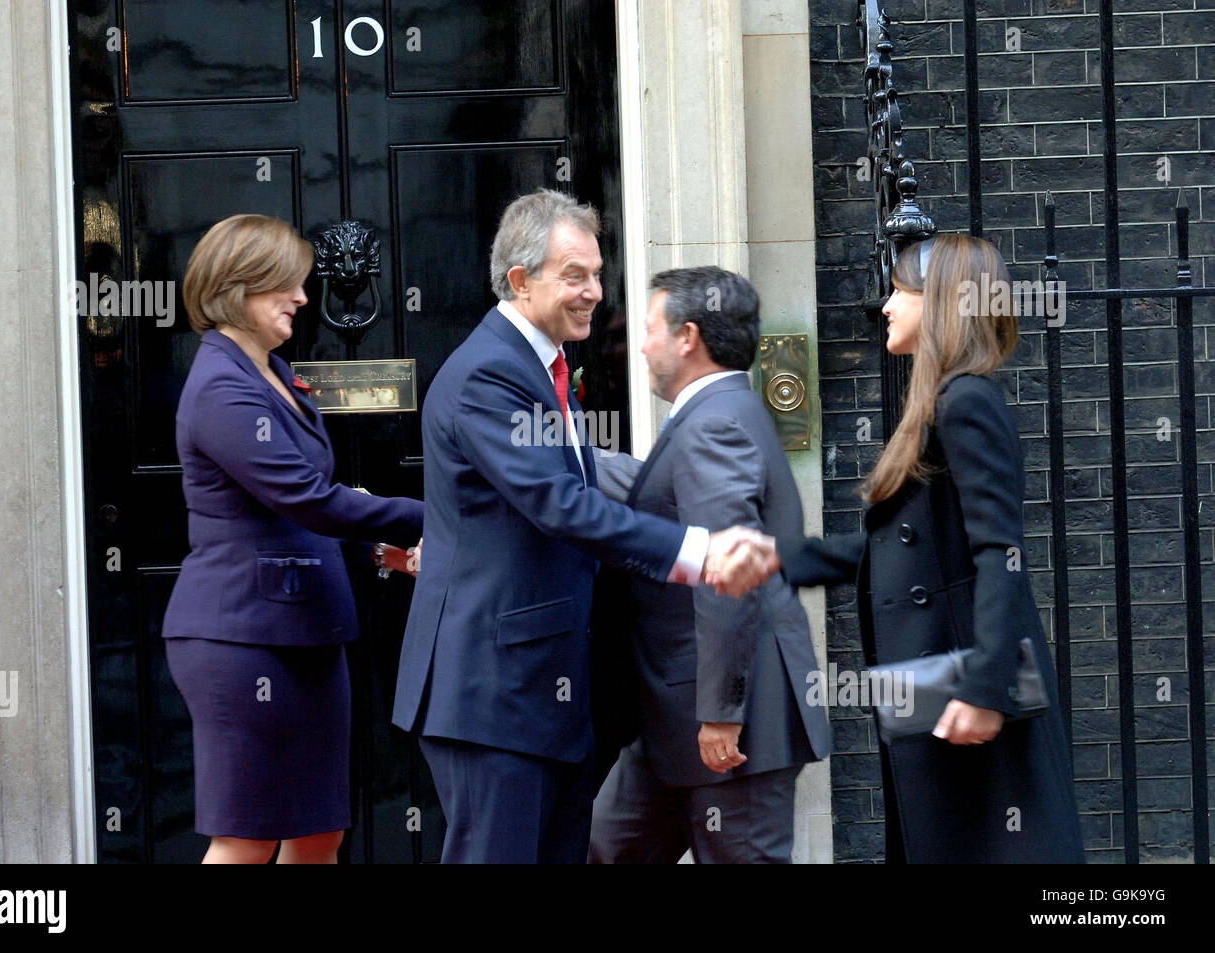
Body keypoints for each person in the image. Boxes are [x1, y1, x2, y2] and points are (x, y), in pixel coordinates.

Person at [391, 189, 778, 864]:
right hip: (494, 697)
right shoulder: (490, 375)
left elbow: (567, 488)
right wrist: (699, 550)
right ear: (520, 280)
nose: (596, 291)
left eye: (597, 273)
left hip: (541, 695)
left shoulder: (540, 369)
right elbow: (560, 504)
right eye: (575, 275)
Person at [777, 233, 1084, 862]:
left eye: (900, 291)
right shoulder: (940, 403)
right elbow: (904, 552)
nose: (885, 305)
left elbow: (999, 553)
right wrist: (781, 560)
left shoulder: (966, 402)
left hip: (964, 704)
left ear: (942, 302)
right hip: (934, 704)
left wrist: (983, 689)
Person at [162, 214, 423, 864]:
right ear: (238, 288)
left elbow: (295, 509)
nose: (304, 299)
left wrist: (373, 548)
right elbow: (304, 498)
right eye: (286, 285)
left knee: (317, 832)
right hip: (242, 639)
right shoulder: (222, 386)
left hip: (311, 635)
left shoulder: (275, 371)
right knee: (247, 836)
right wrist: (436, 517)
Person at [586, 266, 831, 864]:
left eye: (648, 329)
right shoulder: (718, 415)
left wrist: (722, 712)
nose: (640, 345)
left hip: (724, 726)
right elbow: (664, 498)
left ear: (687, 336)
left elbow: (729, 572)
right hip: (675, 720)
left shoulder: (714, 423)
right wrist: (569, 457)